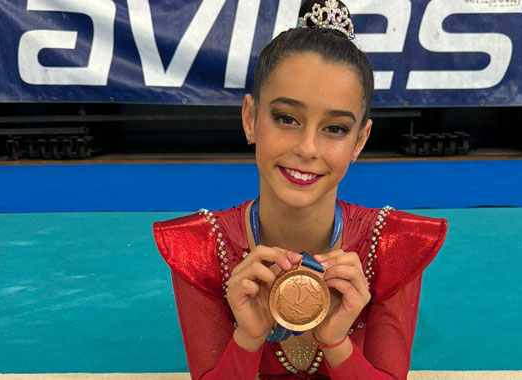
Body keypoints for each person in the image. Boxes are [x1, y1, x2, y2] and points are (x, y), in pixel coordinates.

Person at [152, 1, 448, 379]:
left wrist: (336, 342)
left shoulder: (390, 245)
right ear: (250, 118)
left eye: (336, 128)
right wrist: (249, 336)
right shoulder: (202, 249)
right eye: (286, 118)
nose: (307, 148)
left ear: (360, 141)